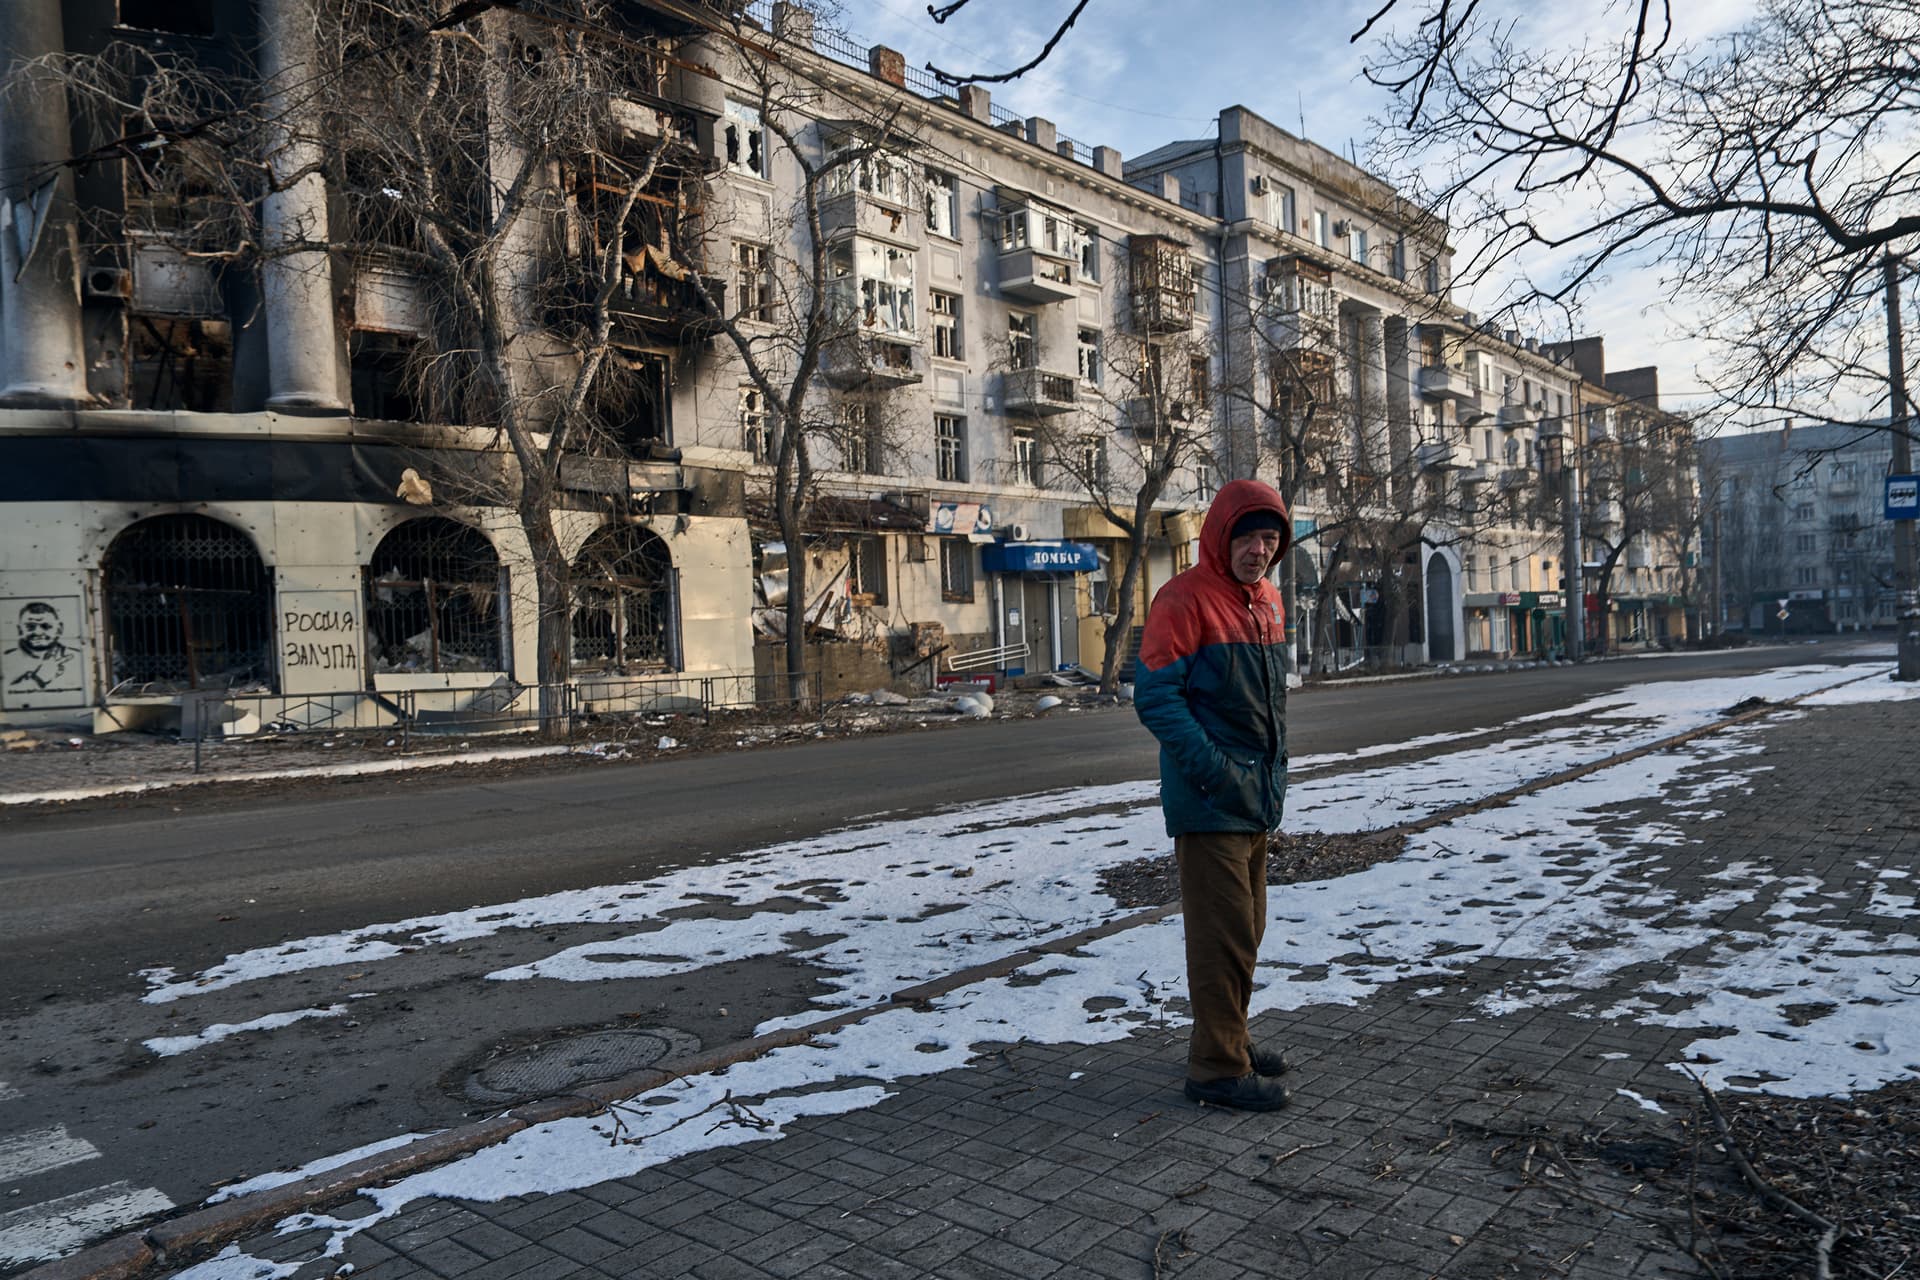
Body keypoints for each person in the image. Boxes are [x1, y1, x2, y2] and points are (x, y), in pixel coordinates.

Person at [1134, 479, 1293, 1111]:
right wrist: (1216, 772)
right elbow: (1156, 698)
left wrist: (1263, 780)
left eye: (1270, 538)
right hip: (1210, 799)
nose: (1259, 549)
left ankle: (1230, 1038)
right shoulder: (1183, 598)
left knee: (1246, 929)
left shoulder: (1268, 600)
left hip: (1253, 797)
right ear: (1220, 537)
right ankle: (1216, 1070)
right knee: (1221, 936)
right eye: (1247, 537)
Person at [6, 601, 76, 692]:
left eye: (46, 626)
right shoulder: (5, 659)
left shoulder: (77, 657)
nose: (38, 632)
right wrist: (39, 678)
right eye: (30, 626)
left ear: (59, 629)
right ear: (19, 630)